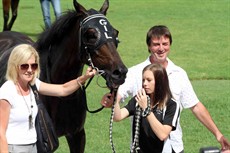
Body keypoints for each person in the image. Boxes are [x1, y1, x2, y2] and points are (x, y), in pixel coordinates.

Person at [101, 25, 230, 153]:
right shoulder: (135, 72)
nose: (161, 48)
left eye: (165, 44)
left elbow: (195, 106)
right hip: (142, 147)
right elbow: (118, 96)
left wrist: (218, 135)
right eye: (156, 44)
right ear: (149, 46)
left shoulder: (179, 74)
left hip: (173, 146)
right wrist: (112, 99)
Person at [0, 44, 96, 153]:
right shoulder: (7, 90)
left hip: (34, 147)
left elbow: (63, 89)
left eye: (34, 66)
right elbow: (1, 131)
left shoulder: (33, 84)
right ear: (15, 66)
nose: (30, 70)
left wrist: (85, 77)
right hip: (14, 148)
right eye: (24, 66)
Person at [105, 63, 180, 152]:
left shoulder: (171, 105)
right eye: (143, 80)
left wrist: (146, 109)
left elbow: (162, 134)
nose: (144, 83)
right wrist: (115, 99)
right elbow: (118, 117)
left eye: (149, 80)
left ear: (160, 81)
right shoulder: (139, 99)